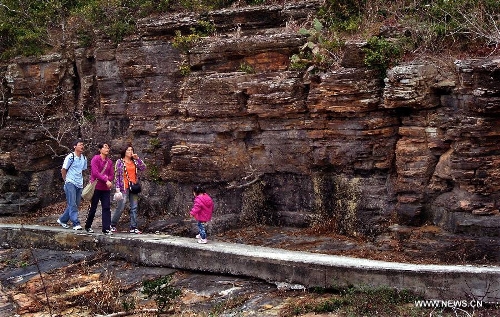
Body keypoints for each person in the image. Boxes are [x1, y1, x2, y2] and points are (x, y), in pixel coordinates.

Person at [111, 145, 146, 234]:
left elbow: (143, 168)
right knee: (121, 206)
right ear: (124, 152)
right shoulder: (120, 162)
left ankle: (133, 227)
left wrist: (138, 159)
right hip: (124, 187)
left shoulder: (134, 161)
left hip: (133, 187)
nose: (130, 151)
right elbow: (117, 176)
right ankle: (112, 224)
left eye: (131, 150)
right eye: (128, 150)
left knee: (134, 206)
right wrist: (117, 188)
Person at [84, 143, 114, 234]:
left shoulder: (109, 162)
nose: (107, 149)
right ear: (100, 149)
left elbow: (112, 174)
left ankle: (106, 228)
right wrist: (106, 179)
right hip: (96, 187)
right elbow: (95, 172)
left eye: (108, 148)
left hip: (105, 189)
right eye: (105, 147)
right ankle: (88, 226)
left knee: (106, 208)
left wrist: (109, 180)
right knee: (93, 207)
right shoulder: (96, 159)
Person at [58, 139, 87, 230]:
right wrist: (66, 180)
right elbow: (63, 169)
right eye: (80, 144)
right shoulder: (70, 157)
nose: (82, 146)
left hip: (79, 183)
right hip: (70, 182)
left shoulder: (84, 158)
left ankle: (62, 220)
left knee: (75, 203)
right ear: (75, 146)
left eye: (83, 145)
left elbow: (83, 170)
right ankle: (75, 223)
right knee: (72, 203)